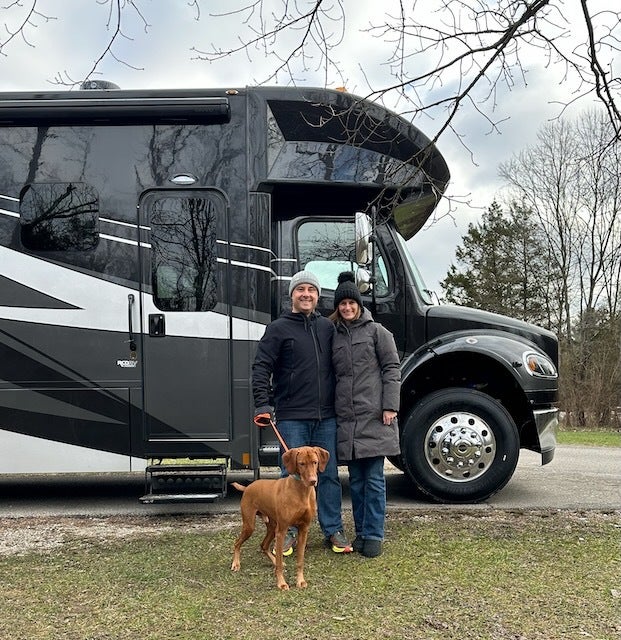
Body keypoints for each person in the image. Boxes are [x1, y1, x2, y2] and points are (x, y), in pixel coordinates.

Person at [252, 270, 352, 554]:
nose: (306, 294)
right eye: (300, 290)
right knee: (292, 475)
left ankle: (333, 530)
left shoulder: (327, 328)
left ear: (318, 296)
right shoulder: (278, 328)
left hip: (326, 417)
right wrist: (263, 404)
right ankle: (290, 531)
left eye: (311, 289)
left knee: (328, 474)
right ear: (292, 295)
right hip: (292, 414)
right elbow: (261, 367)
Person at [330, 271, 401, 558]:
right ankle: (360, 533)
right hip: (347, 421)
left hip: (374, 416)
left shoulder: (377, 332)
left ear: (359, 304)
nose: (347, 308)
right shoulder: (332, 334)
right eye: (342, 304)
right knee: (356, 481)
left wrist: (390, 406)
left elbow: (392, 369)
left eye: (351, 303)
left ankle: (374, 534)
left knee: (373, 479)